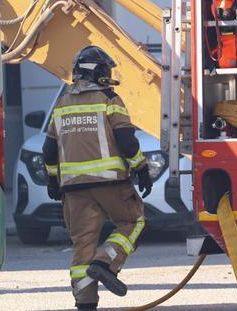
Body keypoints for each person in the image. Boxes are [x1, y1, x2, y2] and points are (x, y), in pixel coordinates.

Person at [43, 46, 153, 311]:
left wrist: (52, 180)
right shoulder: (109, 99)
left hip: (74, 190)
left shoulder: (61, 104)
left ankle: (85, 303)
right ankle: (105, 262)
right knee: (133, 221)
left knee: (82, 245)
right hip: (111, 183)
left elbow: (48, 150)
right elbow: (126, 139)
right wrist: (141, 168)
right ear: (99, 72)